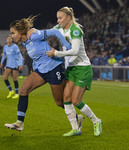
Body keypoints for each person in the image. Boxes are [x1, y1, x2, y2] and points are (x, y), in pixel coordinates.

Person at [4, 15, 84, 132]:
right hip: (41, 71)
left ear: (20, 31)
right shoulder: (25, 42)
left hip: (54, 68)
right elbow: (39, 56)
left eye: (13, 33)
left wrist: (68, 48)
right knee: (23, 91)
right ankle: (20, 123)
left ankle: (77, 118)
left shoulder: (34, 35)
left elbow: (55, 33)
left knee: (59, 102)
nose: (12, 36)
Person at [46, 7, 102, 136]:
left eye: (60, 18)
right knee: (66, 99)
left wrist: (57, 53)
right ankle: (76, 128)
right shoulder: (59, 28)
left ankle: (96, 121)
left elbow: (75, 51)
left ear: (68, 18)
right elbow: (46, 32)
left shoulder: (75, 31)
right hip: (70, 68)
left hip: (82, 68)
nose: (58, 20)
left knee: (76, 101)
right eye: (57, 18)